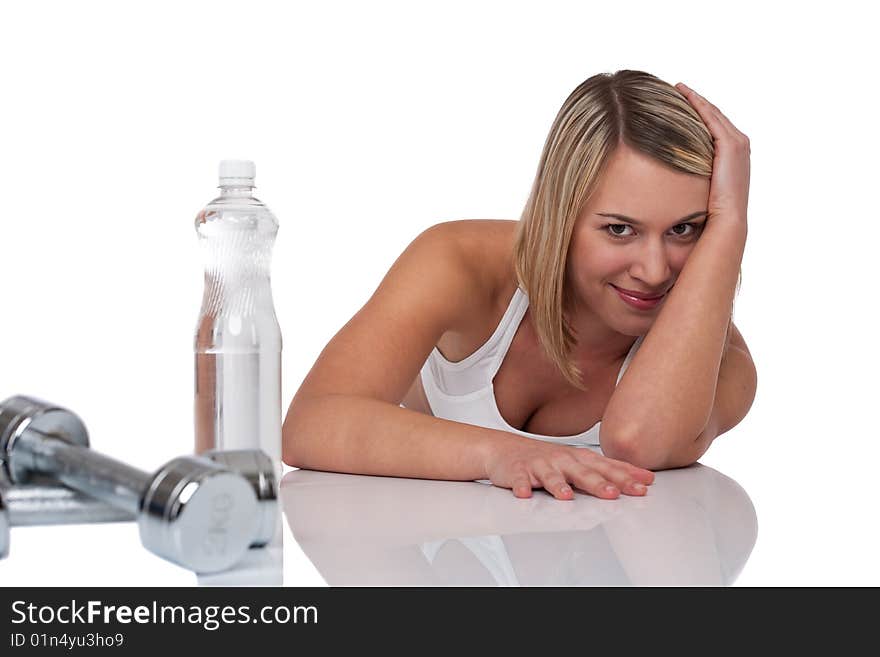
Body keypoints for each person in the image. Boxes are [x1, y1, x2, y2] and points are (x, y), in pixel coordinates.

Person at [282, 70, 757, 501]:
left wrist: (731, 221)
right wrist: (498, 455)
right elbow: (312, 422)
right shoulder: (462, 263)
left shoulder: (720, 360)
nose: (654, 271)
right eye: (618, 229)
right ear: (561, 214)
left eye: (685, 229)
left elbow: (637, 441)